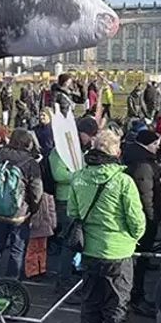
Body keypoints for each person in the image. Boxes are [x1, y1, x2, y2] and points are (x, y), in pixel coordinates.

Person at [68, 129, 145, 323]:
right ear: (116, 152)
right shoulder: (123, 181)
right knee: (116, 307)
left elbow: (72, 212)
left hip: (90, 251)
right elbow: (137, 221)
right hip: (118, 253)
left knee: (90, 302)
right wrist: (133, 237)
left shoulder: (79, 178)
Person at [0, 129, 43, 291]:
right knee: (17, 249)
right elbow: (36, 191)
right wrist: (32, 209)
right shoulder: (31, 163)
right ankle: (11, 286)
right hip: (19, 214)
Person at [50, 116, 98, 295]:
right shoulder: (60, 151)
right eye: (88, 135)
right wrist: (79, 175)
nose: (89, 139)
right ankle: (63, 281)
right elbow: (59, 174)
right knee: (70, 242)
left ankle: (72, 274)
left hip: (80, 199)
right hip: (66, 199)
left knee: (77, 241)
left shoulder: (81, 150)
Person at [123, 129, 161, 318]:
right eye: (156, 144)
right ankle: (136, 297)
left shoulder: (142, 160)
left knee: (139, 261)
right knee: (138, 262)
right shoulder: (143, 165)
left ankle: (135, 295)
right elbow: (146, 196)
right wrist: (151, 220)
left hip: (142, 217)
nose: (158, 147)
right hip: (143, 219)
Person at [25, 192, 56, 279]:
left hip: (39, 226)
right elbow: (51, 210)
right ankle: (34, 271)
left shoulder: (29, 194)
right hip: (42, 226)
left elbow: (51, 209)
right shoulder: (47, 195)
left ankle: (38, 270)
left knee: (38, 249)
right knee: (36, 249)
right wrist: (53, 224)